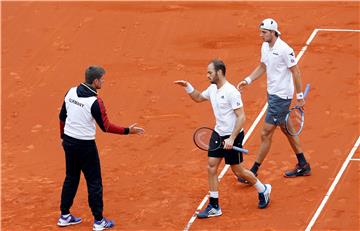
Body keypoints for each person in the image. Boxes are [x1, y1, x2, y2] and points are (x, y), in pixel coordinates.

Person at [174, 59, 271, 219]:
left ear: (219, 72)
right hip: (218, 133)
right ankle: (214, 205)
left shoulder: (232, 92)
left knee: (238, 170)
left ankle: (263, 189)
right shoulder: (213, 89)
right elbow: (198, 97)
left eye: (210, 72)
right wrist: (188, 87)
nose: (207, 75)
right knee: (211, 167)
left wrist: (232, 139)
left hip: (233, 134)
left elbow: (241, 117)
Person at [57, 66, 144, 230]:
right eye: (102, 79)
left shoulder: (70, 92)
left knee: (71, 178)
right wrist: (128, 131)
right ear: (95, 81)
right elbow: (106, 127)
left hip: (69, 142)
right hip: (85, 146)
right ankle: (98, 221)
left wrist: (63, 137)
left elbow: (62, 117)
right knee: (94, 182)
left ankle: (64, 216)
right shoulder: (95, 102)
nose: (103, 81)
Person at [236, 18, 311, 184]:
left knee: (265, 133)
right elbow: (263, 67)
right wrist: (247, 80)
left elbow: (296, 72)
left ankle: (253, 171)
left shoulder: (285, 50)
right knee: (287, 129)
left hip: (281, 98)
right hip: (272, 95)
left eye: (264, 32)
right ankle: (304, 164)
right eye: (261, 32)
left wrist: (299, 97)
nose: (261, 35)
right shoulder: (265, 47)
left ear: (273, 32)